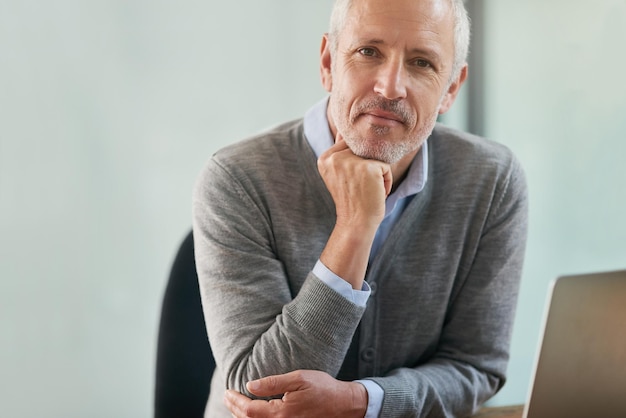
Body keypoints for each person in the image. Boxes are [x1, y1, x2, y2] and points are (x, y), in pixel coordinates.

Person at [192, 0, 528, 416]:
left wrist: (362, 402)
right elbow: (260, 393)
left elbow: (476, 369)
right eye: (369, 52)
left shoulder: (491, 180)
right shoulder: (237, 178)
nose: (390, 87)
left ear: (451, 88)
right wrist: (354, 227)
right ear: (329, 62)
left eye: (422, 62)